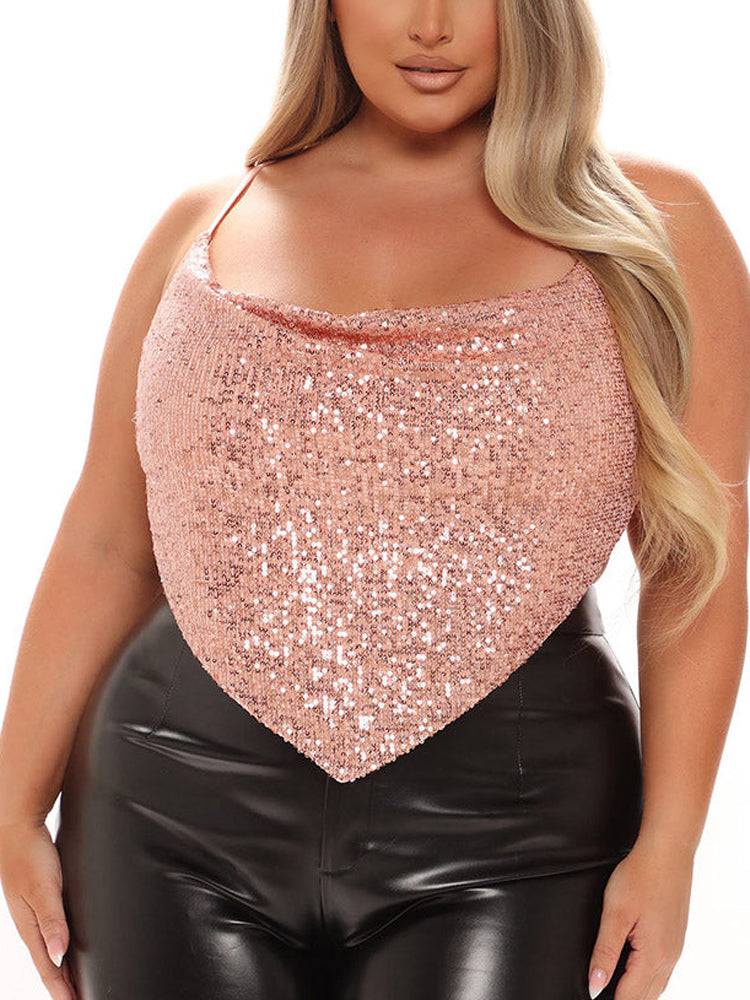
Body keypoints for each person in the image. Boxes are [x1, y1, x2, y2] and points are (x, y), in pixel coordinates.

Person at [1, 2, 748, 998]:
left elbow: (699, 559)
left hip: (522, 827)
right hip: (166, 817)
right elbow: (108, 540)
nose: (431, 25)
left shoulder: (652, 225)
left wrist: (673, 846)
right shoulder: (202, 227)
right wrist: (11, 802)